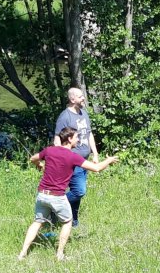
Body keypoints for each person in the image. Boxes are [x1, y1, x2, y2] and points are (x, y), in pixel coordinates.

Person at [18, 127, 118, 260]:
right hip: (57, 197)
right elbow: (96, 168)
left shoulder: (50, 150)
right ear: (69, 139)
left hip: (42, 194)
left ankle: (22, 253)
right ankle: (59, 254)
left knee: (37, 222)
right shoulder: (72, 156)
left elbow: (32, 158)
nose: (78, 140)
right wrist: (109, 160)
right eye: (76, 137)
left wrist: (40, 165)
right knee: (67, 222)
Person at [54, 87, 98, 227]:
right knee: (79, 191)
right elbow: (57, 140)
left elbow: (89, 134)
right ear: (72, 99)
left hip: (84, 160)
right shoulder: (65, 117)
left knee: (77, 193)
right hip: (72, 161)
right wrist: (60, 160)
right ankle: (54, 209)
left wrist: (95, 153)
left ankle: (74, 221)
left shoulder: (83, 113)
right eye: (80, 97)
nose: (83, 98)